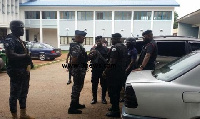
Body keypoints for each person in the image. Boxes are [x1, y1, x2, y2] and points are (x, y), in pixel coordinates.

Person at [3, 20, 34, 119]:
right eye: (21, 28)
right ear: (14, 29)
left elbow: (26, 53)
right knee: (14, 94)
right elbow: (10, 55)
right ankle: (14, 116)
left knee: (24, 93)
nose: (23, 30)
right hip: (16, 71)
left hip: (24, 71)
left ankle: (23, 114)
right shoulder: (9, 40)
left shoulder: (19, 40)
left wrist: (30, 62)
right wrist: (25, 56)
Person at [102, 33, 127, 117]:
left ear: (116, 39)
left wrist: (105, 71)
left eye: (112, 39)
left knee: (113, 92)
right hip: (121, 73)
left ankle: (115, 111)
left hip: (114, 74)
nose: (111, 40)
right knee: (117, 91)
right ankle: (113, 107)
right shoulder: (124, 46)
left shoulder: (115, 48)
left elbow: (112, 62)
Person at [68, 30, 88, 114]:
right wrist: (76, 70)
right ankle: (72, 107)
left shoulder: (79, 46)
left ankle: (76, 103)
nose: (84, 39)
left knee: (79, 86)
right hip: (78, 70)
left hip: (80, 69)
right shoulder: (76, 46)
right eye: (83, 37)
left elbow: (81, 58)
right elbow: (75, 60)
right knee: (76, 87)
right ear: (79, 37)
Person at [88, 36, 108, 104]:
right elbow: (89, 58)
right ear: (95, 41)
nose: (98, 42)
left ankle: (103, 98)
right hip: (95, 69)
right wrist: (91, 54)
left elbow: (108, 59)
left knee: (104, 84)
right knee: (94, 84)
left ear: (102, 41)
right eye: (97, 41)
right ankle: (94, 99)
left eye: (99, 40)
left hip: (103, 69)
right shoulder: (93, 49)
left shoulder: (105, 49)